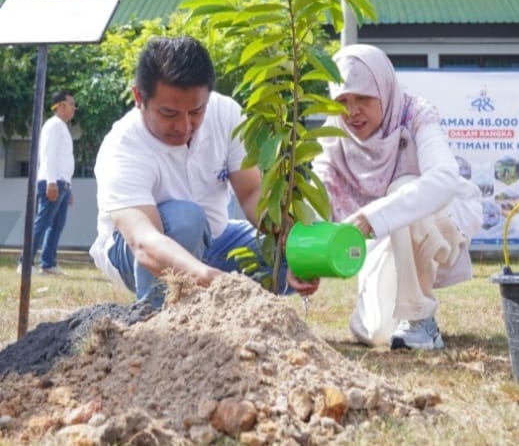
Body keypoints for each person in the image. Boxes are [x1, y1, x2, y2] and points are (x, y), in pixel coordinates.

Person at [89, 36, 319, 306]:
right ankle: (162, 317)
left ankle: (229, 312)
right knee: (187, 218)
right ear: (139, 97)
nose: (184, 125)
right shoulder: (124, 147)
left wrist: (291, 242)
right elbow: (144, 242)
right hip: (137, 254)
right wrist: (213, 280)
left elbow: (251, 193)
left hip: (216, 241)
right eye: (168, 113)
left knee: (286, 255)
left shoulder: (226, 114)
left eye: (196, 111)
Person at [312, 44, 482, 350]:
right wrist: (306, 262)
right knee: (377, 334)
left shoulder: (415, 115)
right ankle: (398, 314)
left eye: (363, 98)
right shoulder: (333, 135)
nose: (352, 112)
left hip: (437, 229)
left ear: (384, 89)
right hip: (383, 241)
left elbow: (444, 179)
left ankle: (419, 317)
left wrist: (371, 217)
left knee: (403, 186)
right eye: (342, 101)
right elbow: (317, 198)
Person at [17, 90, 77, 276]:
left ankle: (48, 263)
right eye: (72, 104)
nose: (74, 109)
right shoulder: (54, 125)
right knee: (42, 223)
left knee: (57, 225)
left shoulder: (62, 127)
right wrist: (52, 182)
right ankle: (25, 263)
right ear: (61, 105)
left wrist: (68, 187)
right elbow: (48, 155)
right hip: (53, 182)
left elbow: (63, 159)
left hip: (62, 183)